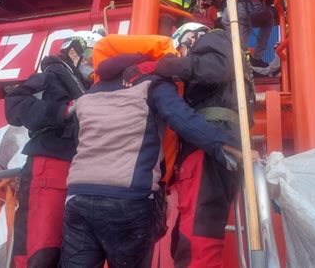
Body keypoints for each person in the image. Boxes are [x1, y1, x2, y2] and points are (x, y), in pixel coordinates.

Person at [60, 52, 241, 268]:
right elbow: (182, 119)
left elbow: (77, 141)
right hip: (129, 199)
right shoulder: (151, 84)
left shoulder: (88, 95)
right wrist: (224, 146)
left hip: (78, 197)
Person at [146, 23, 254, 268]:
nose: (182, 55)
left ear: (192, 36)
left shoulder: (213, 39)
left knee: (197, 242)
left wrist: (166, 65)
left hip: (208, 145)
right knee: (193, 236)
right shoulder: (232, 58)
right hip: (222, 141)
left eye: (182, 49)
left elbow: (216, 68)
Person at [5, 31, 103, 268]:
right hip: (50, 162)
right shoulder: (51, 76)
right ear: (75, 52)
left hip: (77, 170)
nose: (94, 63)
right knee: (40, 247)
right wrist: (64, 111)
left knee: (66, 248)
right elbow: (15, 105)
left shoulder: (87, 87)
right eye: (91, 55)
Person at [221, 0, 279, 70]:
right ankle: (255, 58)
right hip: (253, 6)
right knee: (268, 19)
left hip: (230, 9)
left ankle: (236, 61)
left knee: (237, 34)